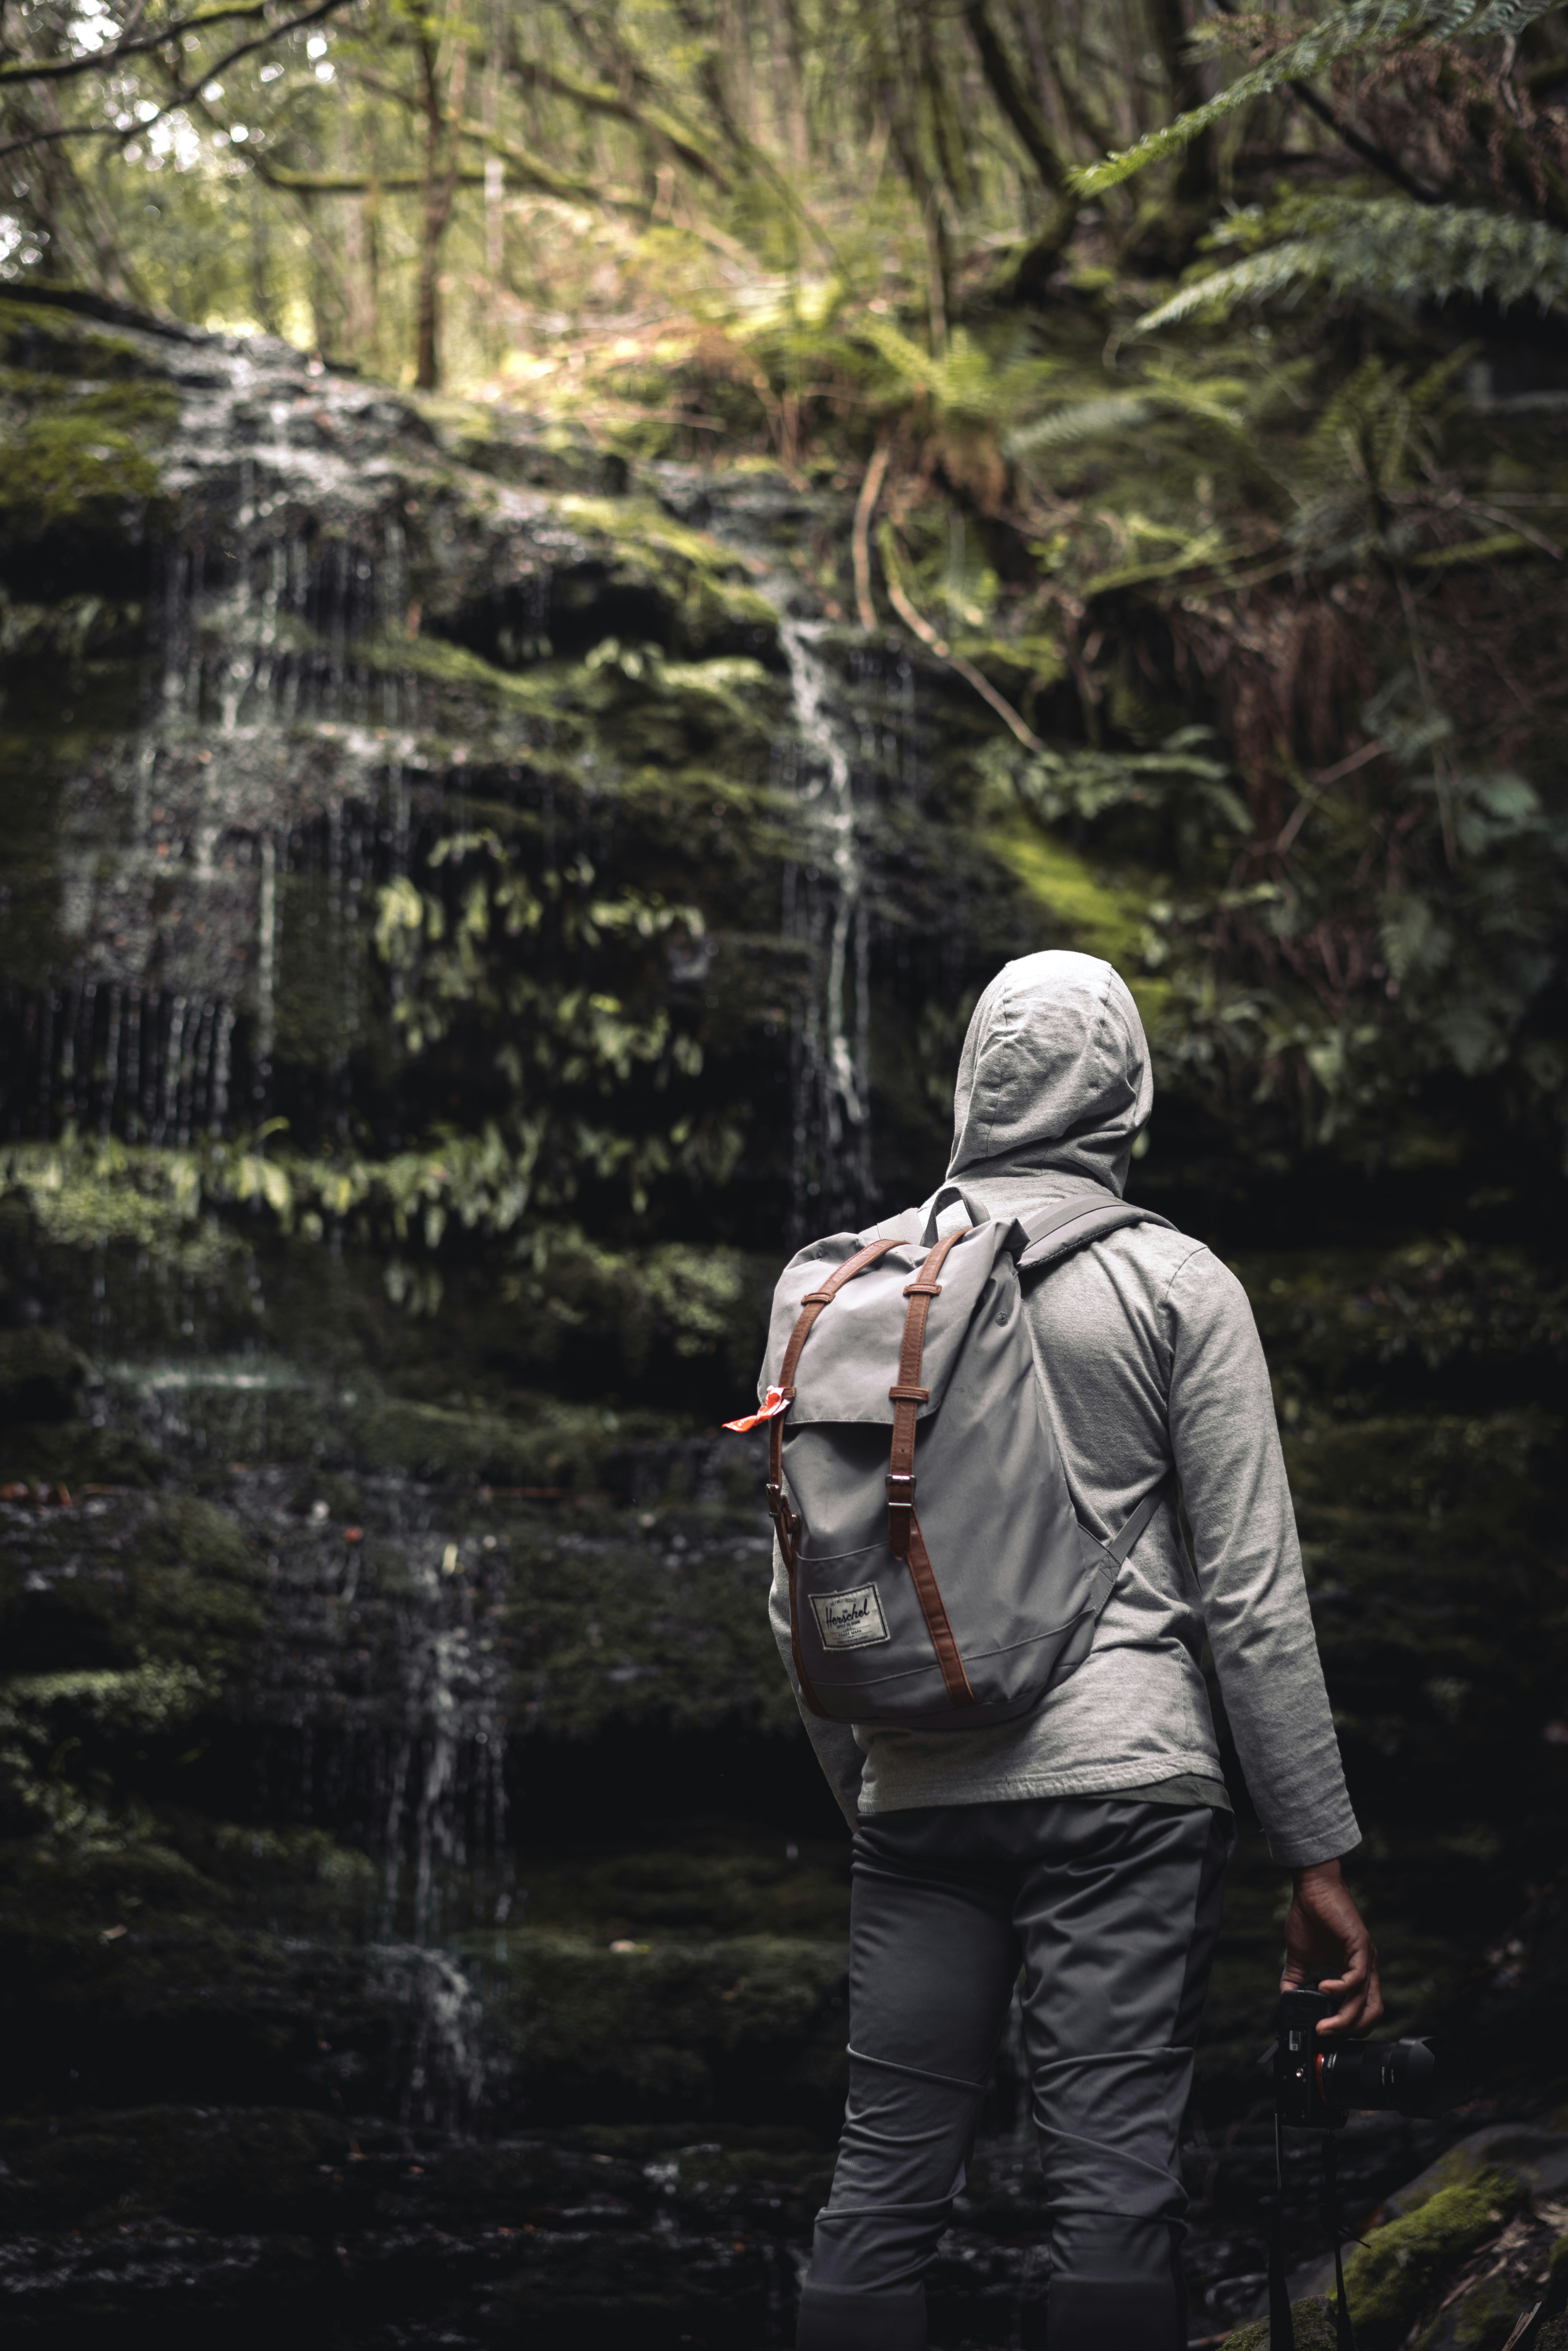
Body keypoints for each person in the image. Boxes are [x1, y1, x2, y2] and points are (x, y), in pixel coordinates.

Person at [769, 951, 1382, 2351]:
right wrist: (1317, 1856)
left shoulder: (848, 1288)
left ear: (975, 1077)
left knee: (879, 2192)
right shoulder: (1177, 1283)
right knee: (1113, 2189)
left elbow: (801, 1586)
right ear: (1127, 1088)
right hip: (1126, 1793)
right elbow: (1251, 1592)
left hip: (918, 1787)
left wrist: (880, 1783)